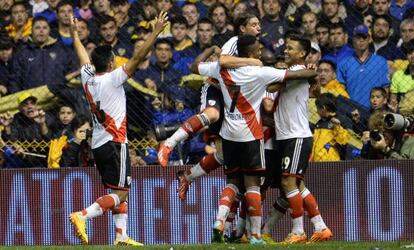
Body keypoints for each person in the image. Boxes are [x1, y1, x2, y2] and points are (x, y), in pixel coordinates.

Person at [192, 35, 318, 244]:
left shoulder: (220, 69)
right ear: (251, 53)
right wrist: (311, 69)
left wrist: (208, 50)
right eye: (258, 50)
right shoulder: (261, 72)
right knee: (253, 185)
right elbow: (296, 75)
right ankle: (255, 236)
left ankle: (221, 223)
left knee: (234, 182)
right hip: (252, 135)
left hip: (229, 134)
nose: (261, 53)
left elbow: (194, 66)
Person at [68, 12, 168, 246]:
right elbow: (138, 56)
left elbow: (82, 56)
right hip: (115, 143)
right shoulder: (113, 79)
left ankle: (121, 236)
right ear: (111, 63)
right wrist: (156, 31)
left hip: (99, 144)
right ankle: (82, 215)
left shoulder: (88, 78)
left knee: (118, 189)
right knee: (121, 192)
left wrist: (74, 34)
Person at [273, 35, 332, 243]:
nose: (286, 51)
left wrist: (280, 75)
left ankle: (298, 231)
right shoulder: (297, 73)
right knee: (297, 185)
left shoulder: (298, 73)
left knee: (287, 182)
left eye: (290, 48)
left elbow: (271, 87)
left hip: (296, 136)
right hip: (288, 137)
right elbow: (314, 89)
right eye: (285, 47)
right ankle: (321, 227)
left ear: (301, 54)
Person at [312, 93, 350, 161]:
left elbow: (343, 141)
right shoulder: (319, 123)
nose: (317, 111)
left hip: (331, 162)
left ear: (323, 108)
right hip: (317, 160)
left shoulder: (341, 120)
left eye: (317, 108)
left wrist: (337, 126)